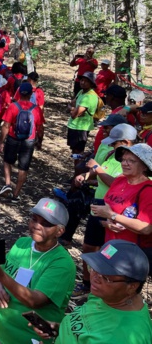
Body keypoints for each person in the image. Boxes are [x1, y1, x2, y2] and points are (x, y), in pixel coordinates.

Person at [0, 197, 75, 344]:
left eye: (46, 224)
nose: (37, 226)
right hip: (3, 332)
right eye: (34, 219)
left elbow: (34, 301)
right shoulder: (22, 243)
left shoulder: (62, 264)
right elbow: (0, 268)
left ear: (59, 231)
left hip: (29, 339)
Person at [32, 240, 152, 343]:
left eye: (106, 277)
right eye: (94, 268)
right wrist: (60, 330)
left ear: (132, 286)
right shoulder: (106, 296)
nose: (94, 278)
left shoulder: (121, 337)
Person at [69, 123, 137, 298]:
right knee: (89, 246)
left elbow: (117, 182)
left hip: (116, 211)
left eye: (116, 143)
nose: (113, 146)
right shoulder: (111, 154)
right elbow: (100, 173)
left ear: (127, 142)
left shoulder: (134, 163)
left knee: (109, 251)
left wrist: (97, 170)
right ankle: (87, 283)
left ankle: (104, 289)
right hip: (99, 205)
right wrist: (86, 176)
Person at [91, 144, 152, 267]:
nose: (125, 163)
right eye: (123, 160)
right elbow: (108, 208)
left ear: (144, 166)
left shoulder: (148, 191)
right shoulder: (120, 180)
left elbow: (146, 228)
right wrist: (106, 222)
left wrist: (112, 216)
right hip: (110, 246)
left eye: (131, 161)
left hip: (131, 254)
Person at [0, 83, 44, 202]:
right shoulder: (36, 109)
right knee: (23, 168)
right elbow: (40, 128)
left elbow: (6, 126)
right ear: (30, 94)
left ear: (19, 93)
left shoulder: (13, 106)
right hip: (29, 141)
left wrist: (1, 141)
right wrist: (40, 141)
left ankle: (8, 184)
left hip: (13, 138)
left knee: (8, 161)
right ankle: (16, 194)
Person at [67, 72, 99, 154]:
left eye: (86, 81)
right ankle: (75, 166)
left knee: (78, 151)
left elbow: (74, 115)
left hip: (81, 128)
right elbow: (71, 104)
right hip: (74, 126)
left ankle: (78, 166)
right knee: (74, 150)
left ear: (91, 83)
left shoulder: (89, 96)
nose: (82, 82)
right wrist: (73, 109)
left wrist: (73, 110)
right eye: (82, 80)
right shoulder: (81, 91)